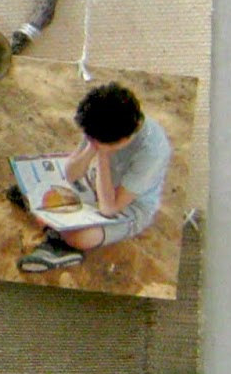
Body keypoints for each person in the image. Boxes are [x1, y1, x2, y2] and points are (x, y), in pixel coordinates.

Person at [18, 81, 172, 273]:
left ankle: (59, 241)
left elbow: (109, 208)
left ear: (123, 139)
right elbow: (71, 174)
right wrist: (92, 147)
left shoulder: (152, 151)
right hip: (94, 183)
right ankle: (54, 227)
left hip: (129, 206)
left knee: (81, 237)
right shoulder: (103, 119)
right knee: (37, 188)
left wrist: (102, 155)